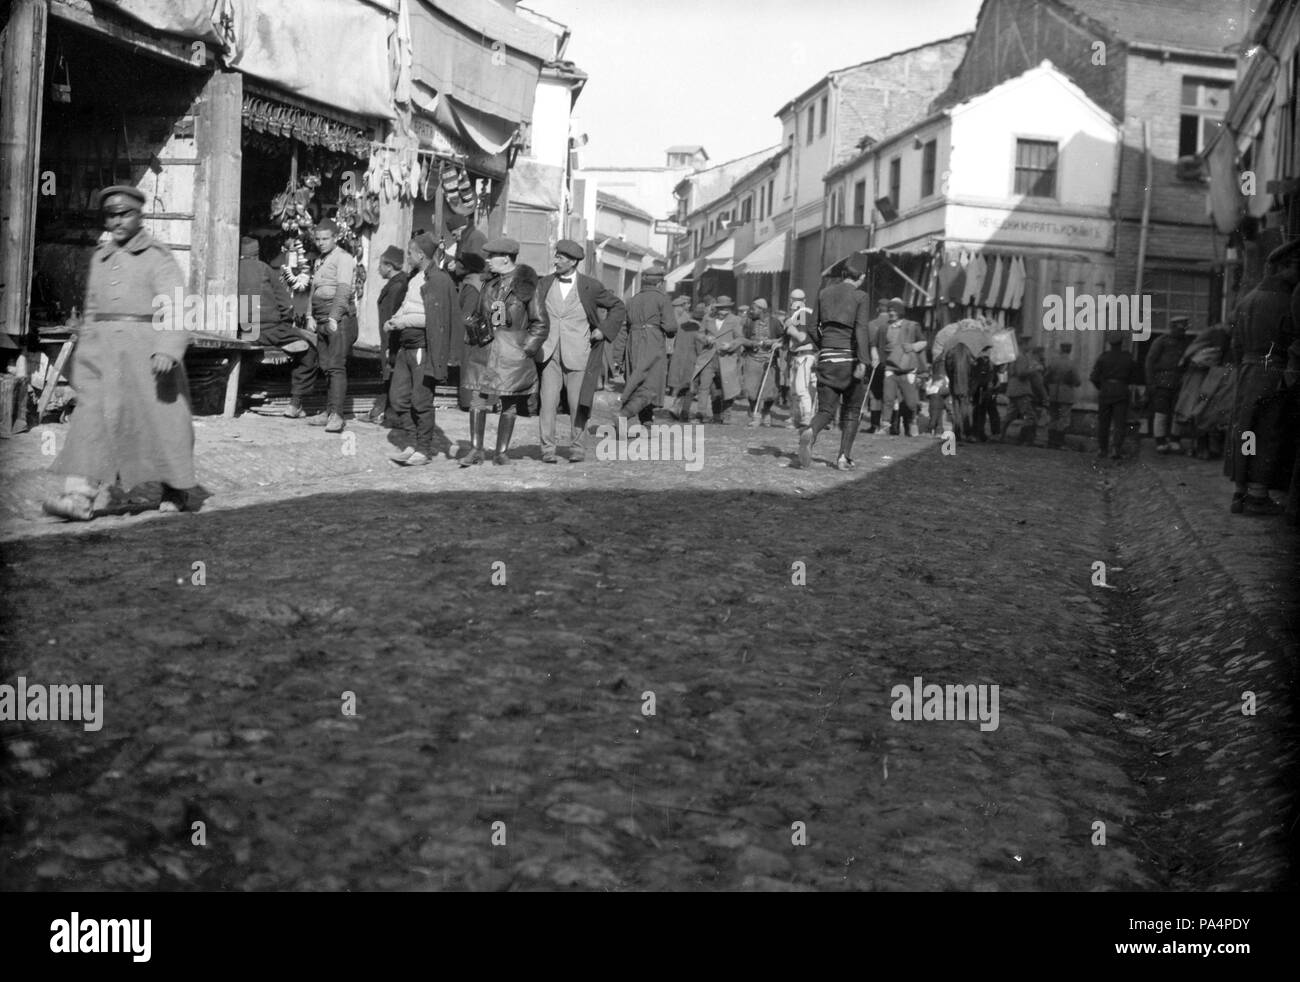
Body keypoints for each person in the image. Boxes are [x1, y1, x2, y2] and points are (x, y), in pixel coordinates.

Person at [43, 186, 195, 520]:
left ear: (139, 215)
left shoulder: (157, 256)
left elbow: (176, 305)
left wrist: (169, 348)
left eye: (125, 213)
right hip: (106, 355)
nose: (118, 220)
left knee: (162, 424)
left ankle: (175, 486)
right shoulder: (101, 258)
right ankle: (79, 496)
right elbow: (92, 311)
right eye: (111, 214)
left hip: (148, 356)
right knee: (92, 419)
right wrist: (85, 359)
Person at [1223, 239, 1300, 514]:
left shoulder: (1247, 300)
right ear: (1281, 268)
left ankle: (1240, 492)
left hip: (1247, 371)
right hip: (1274, 370)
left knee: (1245, 430)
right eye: (1296, 268)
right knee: (1268, 431)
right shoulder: (1287, 300)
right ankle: (1258, 497)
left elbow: (1235, 345)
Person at [536, 238, 627, 462]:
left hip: (579, 353)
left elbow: (618, 306)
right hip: (549, 354)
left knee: (578, 403)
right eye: (556, 256)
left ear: (574, 261)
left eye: (561, 257)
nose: (555, 260)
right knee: (547, 403)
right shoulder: (545, 283)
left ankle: (577, 447)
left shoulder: (590, 286)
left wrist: (603, 330)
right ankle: (548, 449)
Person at [460, 236, 548, 466]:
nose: (487, 261)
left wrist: (525, 349)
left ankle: (501, 453)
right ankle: (476, 450)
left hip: (512, 354)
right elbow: (481, 315)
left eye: (492, 256)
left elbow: (540, 323)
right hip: (487, 352)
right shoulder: (489, 286)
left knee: (509, 402)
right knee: (478, 400)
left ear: (506, 259)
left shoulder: (527, 287)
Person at [798, 260, 872, 469]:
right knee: (852, 410)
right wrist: (864, 360)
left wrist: (826, 346)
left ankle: (810, 431)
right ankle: (843, 457)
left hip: (827, 358)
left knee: (826, 410)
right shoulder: (861, 296)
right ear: (862, 278)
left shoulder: (824, 293)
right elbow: (861, 329)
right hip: (850, 360)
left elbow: (812, 327)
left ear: (842, 274)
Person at [383, 233, 446, 466]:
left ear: (420, 254)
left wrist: (402, 323)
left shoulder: (436, 280)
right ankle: (411, 443)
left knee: (421, 400)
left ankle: (423, 449)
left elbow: (433, 318)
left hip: (421, 346)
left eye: (409, 253)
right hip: (404, 347)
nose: (407, 257)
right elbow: (407, 307)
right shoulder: (415, 278)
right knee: (398, 398)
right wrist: (394, 319)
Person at [238, 236, 317, 417]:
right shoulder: (264, 269)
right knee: (310, 350)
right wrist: (286, 325)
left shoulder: (231, 269)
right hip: (268, 330)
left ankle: (238, 396)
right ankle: (295, 404)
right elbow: (285, 305)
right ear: (256, 253)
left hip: (245, 330)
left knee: (249, 355)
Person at [306, 218, 357, 433]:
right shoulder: (320, 261)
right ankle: (328, 411)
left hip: (338, 319)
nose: (321, 243)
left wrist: (334, 318)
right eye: (318, 239)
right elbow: (313, 289)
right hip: (321, 318)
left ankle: (337, 415)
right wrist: (310, 315)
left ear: (335, 238)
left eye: (325, 239)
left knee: (336, 366)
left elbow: (344, 291)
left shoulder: (344, 258)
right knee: (326, 366)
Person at [614, 262, 678, 426]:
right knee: (651, 385)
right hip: (652, 343)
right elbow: (670, 327)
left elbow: (623, 330)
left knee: (637, 383)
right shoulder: (662, 299)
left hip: (632, 344)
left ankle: (646, 421)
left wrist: (618, 357)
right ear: (659, 283)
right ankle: (623, 415)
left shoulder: (631, 300)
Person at [366, 244, 409, 425]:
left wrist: (390, 345)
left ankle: (392, 417)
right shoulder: (395, 283)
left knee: (392, 375)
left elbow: (393, 316)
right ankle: (380, 412)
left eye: (381, 265)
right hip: (389, 339)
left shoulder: (397, 286)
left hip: (392, 340)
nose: (378, 269)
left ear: (389, 266)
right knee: (389, 375)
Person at [872, 298, 927, 437]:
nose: (891, 313)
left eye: (894, 311)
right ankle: (885, 426)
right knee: (888, 398)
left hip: (908, 368)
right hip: (890, 368)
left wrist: (913, 347)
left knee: (910, 401)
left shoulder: (912, 326)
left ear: (901, 312)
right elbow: (874, 344)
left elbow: (924, 342)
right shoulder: (884, 327)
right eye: (890, 310)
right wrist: (875, 356)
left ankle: (913, 422)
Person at [1145, 314, 1193, 454]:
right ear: (1172, 328)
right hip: (1162, 382)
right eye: (1180, 328)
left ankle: (1174, 440)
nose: (1183, 331)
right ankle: (1160, 441)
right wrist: (1150, 383)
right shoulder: (1161, 341)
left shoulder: (1186, 342)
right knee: (1161, 412)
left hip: (1180, 382)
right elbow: (1149, 362)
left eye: (1184, 329)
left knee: (1178, 411)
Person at [694, 295, 743, 423]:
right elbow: (699, 334)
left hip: (726, 357)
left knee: (727, 387)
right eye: (721, 308)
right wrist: (705, 339)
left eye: (726, 309)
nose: (723, 311)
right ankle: (701, 414)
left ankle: (726, 415)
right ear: (716, 308)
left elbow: (740, 338)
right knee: (704, 386)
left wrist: (731, 345)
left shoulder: (735, 320)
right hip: (709, 357)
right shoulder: (707, 318)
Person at [1090, 335, 1138, 460]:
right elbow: (1134, 377)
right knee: (1119, 423)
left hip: (1105, 392)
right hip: (1121, 392)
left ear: (1109, 344)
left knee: (1103, 423)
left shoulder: (1103, 357)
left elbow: (1094, 377)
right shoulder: (1128, 358)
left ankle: (1102, 450)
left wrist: (1103, 386)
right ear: (1121, 343)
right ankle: (1115, 450)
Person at [740, 298, 782, 426]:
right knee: (750, 388)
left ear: (762, 310)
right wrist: (751, 344)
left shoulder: (775, 322)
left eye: (754, 308)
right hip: (752, 358)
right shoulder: (748, 322)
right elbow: (742, 338)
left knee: (770, 390)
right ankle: (755, 413)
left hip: (769, 359)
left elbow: (783, 338)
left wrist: (773, 342)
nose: (751, 311)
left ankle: (766, 412)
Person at [1003, 334, 1046, 445]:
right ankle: (1025, 440)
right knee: (1030, 416)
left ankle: (1000, 435)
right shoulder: (1021, 357)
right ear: (1024, 344)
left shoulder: (1016, 355)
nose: (1030, 346)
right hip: (1021, 390)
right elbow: (1021, 374)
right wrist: (1035, 369)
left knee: (1010, 415)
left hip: (1014, 389)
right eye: (1029, 344)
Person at [784, 289, 818, 430]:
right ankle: (796, 417)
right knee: (794, 389)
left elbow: (801, 337)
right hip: (796, 355)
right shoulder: (797, 315)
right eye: (793, 299)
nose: (794, 302)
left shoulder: (803, 313)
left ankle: (807, 416)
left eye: (798, 300)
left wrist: (790, 327)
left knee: (801, 388)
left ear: (804, 301)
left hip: (805, 354)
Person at [667, 301, 705, 421]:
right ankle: (684, 413)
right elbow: (699, 348)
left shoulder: (682, 326)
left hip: (678, 360)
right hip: (691, 361)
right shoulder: (698, 329)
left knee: (682, 385)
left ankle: (675, 407)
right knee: (691, 389)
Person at [1043, 341, 1081, 450]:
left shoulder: (1053, 362)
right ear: (1069, 350)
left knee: (1053, 417)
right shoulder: (1071, 363)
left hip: (1053, 393)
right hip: (1066, 393)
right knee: (1064, 418)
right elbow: (1078, 381)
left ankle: (1051, 442)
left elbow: (1045, 378)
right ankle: (1059, 443)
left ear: (1061, 349)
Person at [864, 299, 890, 432]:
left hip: (874, 364)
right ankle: (893, 425)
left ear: (878, 309)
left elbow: (867, 344)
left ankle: (875, 425)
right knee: (891, 395)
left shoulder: (871, 325)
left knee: (875, 395)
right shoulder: (894, 325)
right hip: (892, 364)